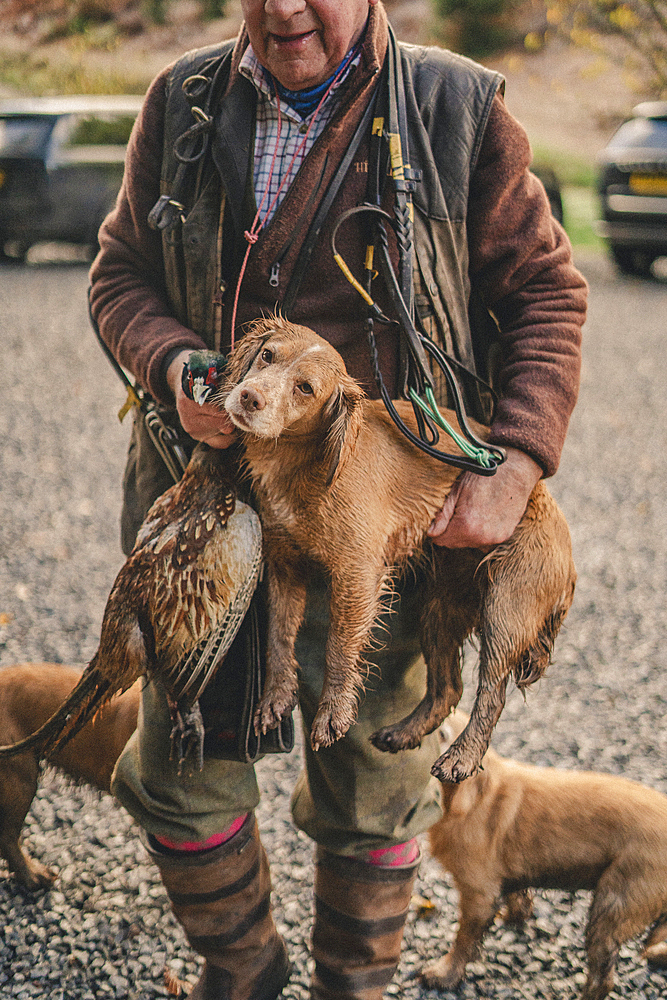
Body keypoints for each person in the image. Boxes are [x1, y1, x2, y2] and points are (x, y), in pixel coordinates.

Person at [88, 2, 588, 998]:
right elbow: (119, 274)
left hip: (385, 516)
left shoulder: (457, 108)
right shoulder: (181, 98)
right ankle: (247, 971)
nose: (282, 9)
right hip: (210, 517)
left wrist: (517, 462)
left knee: (376, 784)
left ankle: (350, 987)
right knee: (177, 777)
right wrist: (177, 362)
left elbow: (545, 293)